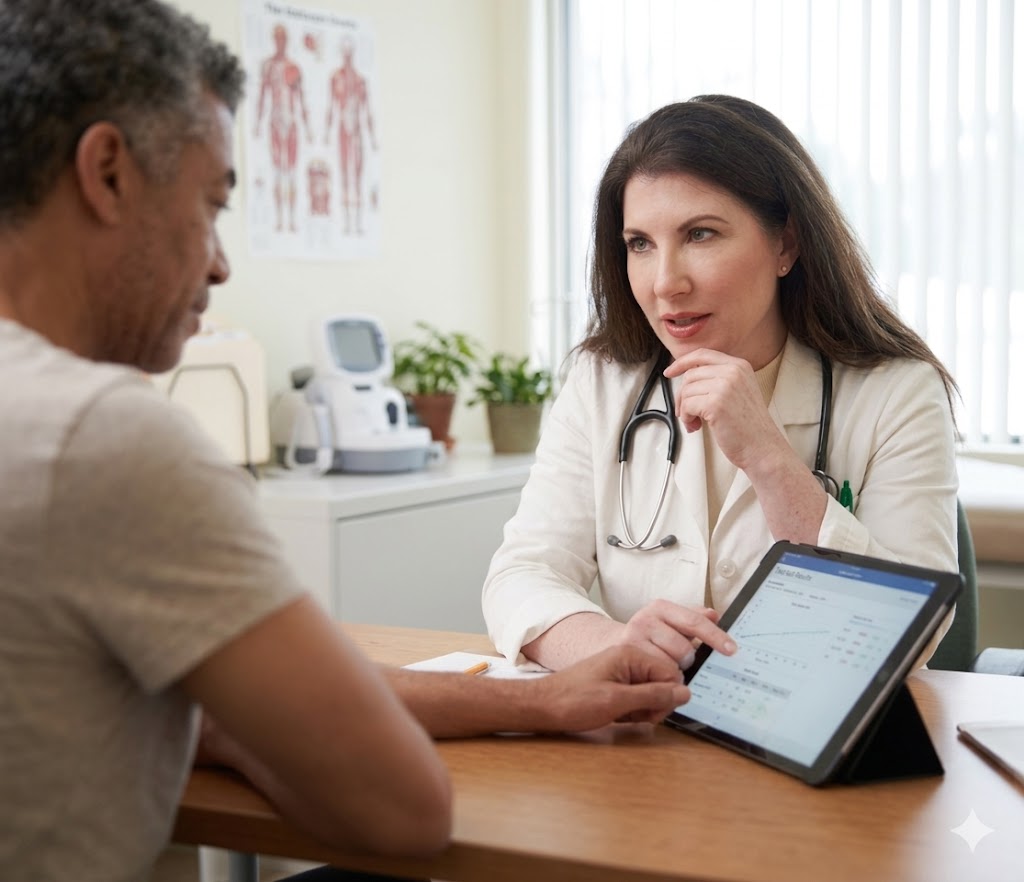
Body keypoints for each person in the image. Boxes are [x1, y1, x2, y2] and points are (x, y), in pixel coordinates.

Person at [0, 5, 732, 882]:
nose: (222, 263)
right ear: (109, 173)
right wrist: (221, 725)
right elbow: (402, 808)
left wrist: (544, 701)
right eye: (212, 203)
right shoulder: (105, 438)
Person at [482, 95, 960, 672]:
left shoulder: (897, 393)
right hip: (650, 739)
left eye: (701, 234)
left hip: (817, 738)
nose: (666, 283)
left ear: (786, 243)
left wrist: (768, 456)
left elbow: (915, 634)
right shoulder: (603, 381)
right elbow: (522, 574)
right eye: (640, 244)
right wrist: (616, 647)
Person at [253, 22, 311, 233]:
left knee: (292, 172)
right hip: (275, 120)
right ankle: (279, 219)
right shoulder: (268, 66)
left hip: (292, 122)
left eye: (283, 38)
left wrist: (308, 127)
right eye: (277, 38)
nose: (280, 42)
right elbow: (262, 96)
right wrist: (258, 124)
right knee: (278, 172)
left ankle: (293, 219)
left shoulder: (293, 67)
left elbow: (301, 98)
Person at [324, 33, 378, 235]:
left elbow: (368, 112)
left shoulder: (360, 81)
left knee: (357, 176)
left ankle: (359, 223)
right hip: (342, 133)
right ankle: (347, 223)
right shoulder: (335, 79)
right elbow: (331, 107)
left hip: (357, 133)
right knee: (345, 177)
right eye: (344, 52)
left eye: (350, 52)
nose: (347, 56)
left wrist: (372, 139)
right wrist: (326, 134)